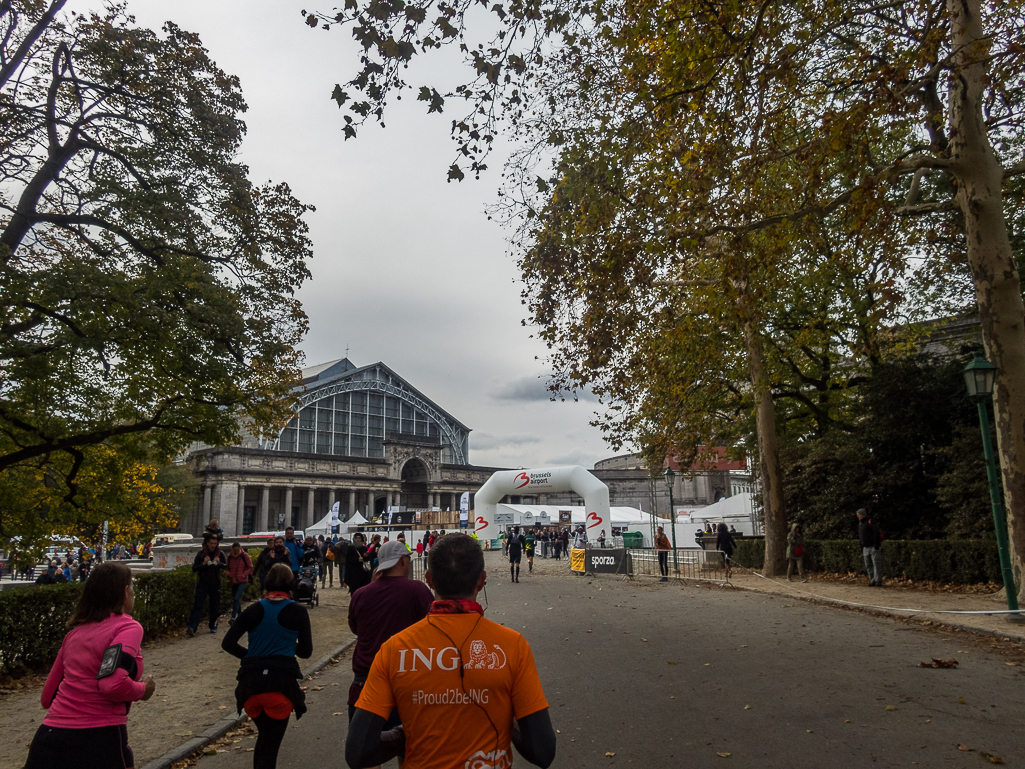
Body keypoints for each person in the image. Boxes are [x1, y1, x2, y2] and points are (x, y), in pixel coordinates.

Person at [345, 533, 556, 769]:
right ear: (481, 580)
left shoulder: (394, 649)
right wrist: (504, 719)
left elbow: (359, 750)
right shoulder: (512, 646)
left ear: (429, 580)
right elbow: (542, 750)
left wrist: (408, 733)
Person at [25, 562, 156, 769]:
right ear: (125, 592)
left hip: (49, 739)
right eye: (131, 587)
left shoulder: (74, 635)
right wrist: (143, 689)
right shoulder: (127, 628)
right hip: (100, 738)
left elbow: (47, 697)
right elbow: (112, 684)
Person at [346, 540, 434, 764]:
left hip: (364, 686)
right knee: (409, 755)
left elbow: (356, 628)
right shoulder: (416, 590)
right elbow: (436, 627)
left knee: (367, 757)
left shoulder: (360, 594)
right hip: (406, 685)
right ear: (404, 561)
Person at [222, 563, 312, 769]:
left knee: (264, 742)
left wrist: (251, 657)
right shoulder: (297, 611)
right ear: (292, 585)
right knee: (269, 748)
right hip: (280, 686)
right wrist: (288, 642)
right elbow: (306, 652)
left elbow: (227, 643)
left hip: (251, 687)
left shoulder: (252, 609)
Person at [187, 535, 227, 636]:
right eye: (211, 543)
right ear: (207, 543)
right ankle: (192, 627)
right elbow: (194, 568)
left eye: (215, 543)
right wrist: (203, 564)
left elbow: (227, 566)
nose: (213, 545)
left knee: (215, 606)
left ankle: (213, 625)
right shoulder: (201, 554)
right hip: (203, 583)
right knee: (198, 605)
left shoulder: (220, 554)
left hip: (215, 583)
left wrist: (219, 564)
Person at [227, 542, 255, 624]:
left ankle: (233, 617)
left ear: (240, 549)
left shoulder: (244, 555)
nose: (236, 552)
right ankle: (240, 616)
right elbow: (227, 568)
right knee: (236, 599)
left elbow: (250, 567)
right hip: (233, 580)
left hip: (242, 580)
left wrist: (244, 574)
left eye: (237, 550)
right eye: (234, 550)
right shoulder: (229, 557)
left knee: (236, 598)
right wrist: (229, 575)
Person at [857, 508, 883, 586]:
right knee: (868, 564)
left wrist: (876, 544)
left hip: (873, 546)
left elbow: (876, 533)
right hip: (865, 547)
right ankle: (872, 580)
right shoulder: (860, 524)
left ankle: (878, 580)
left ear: (863, 514)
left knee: (876, 563)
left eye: (859, 515)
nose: (858, 516)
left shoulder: (870, 522)